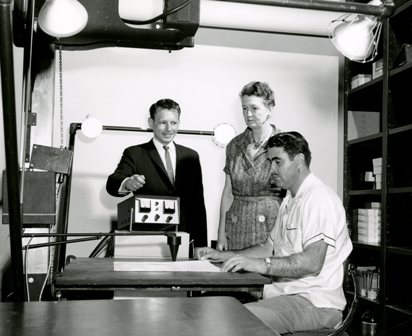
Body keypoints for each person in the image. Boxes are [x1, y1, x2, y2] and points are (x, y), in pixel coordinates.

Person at [197, 131, 353, 336]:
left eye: (277, 162)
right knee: (218, 311)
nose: (271, 169)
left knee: (233, 320)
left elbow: (312, 263)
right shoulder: (290, 199)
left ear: (299, 160)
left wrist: (260, 264)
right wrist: (223, 255)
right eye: (270, 162)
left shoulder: (319, 199)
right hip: (288, 296)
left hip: (315, 302)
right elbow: (267, 247)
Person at [106, 98, 207, 249]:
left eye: (173, 123)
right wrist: (127, 183)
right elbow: (112, 183)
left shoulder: (191, 156)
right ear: (151, 123)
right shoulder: (135, 153)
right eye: (162, 122)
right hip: (147, 240)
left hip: (184, 238)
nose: (169, 128)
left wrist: (200, 244)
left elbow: (198, 205)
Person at [217, 81, 283, 251]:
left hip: (271, 228)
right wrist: (221, 234)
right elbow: (228, 193)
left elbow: (292, 193)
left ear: (269, 109)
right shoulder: (235, 145)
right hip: (237, 227)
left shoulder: (283, 144)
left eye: (254, 108)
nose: (248, 114)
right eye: (244, 108)